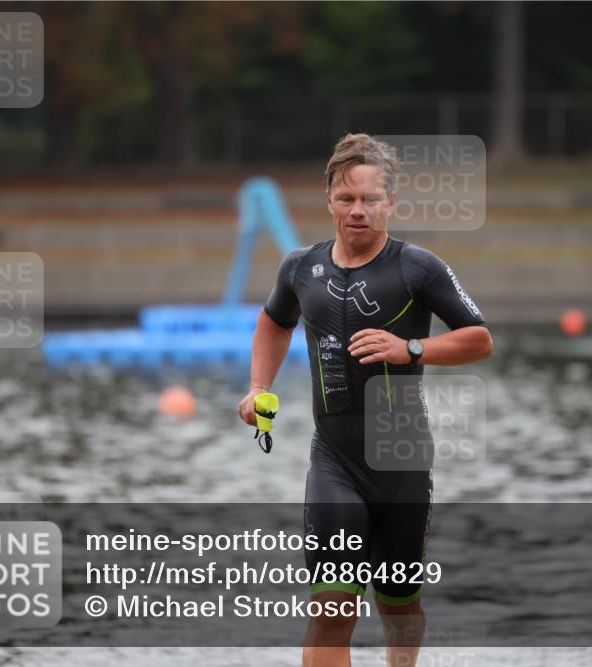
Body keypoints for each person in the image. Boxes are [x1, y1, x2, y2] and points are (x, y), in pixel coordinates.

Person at [238, 133, 493, 667]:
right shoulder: (299, 269)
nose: (358, 211)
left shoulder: (417, 267)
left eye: (370, 200)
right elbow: (272, 323)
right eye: (347, 198)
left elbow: (478, 338)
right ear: (329, 200)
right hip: (334, 459)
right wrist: (259, 387)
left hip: (401, 457)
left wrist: (411, 348)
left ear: (390, 204)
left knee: (399, 606)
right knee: (332, 606)